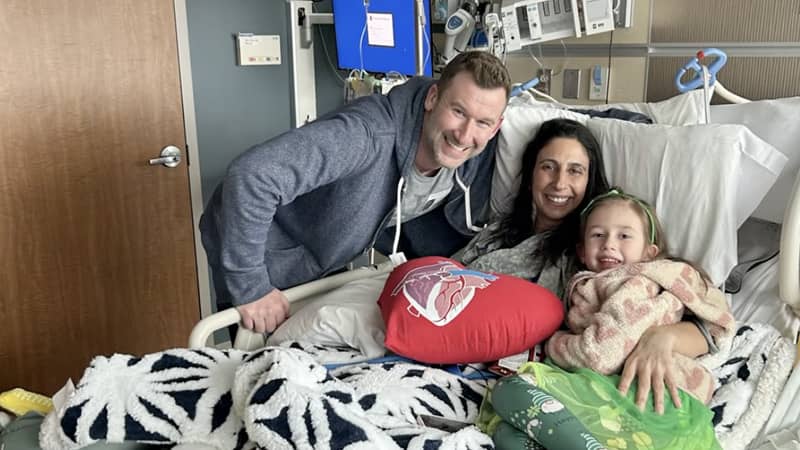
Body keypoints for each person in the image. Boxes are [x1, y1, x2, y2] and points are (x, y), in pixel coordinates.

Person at [199, 51, 511, 334]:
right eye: (458, 111)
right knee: (258, 370)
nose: (465, 134)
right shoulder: (365, 137)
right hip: (258, 252)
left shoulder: (477, 153)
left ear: (495, 127)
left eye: (482, 122)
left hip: (324, 254)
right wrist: (251, 286)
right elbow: (251, 177)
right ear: (432, 98)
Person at [459, 118, 718, 412]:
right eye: (548, 167)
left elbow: (700, 316)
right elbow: (450, 272)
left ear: (589, 179)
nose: (559, 183)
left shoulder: (598, 253)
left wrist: (663, 338)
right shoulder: (498, 233)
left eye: (575, 171)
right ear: (531, 173)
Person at [545, 188, 736, 404]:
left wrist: (554, 343)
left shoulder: (636, 282)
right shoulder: (584, 282)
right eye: (598, 235)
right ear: (581, 251)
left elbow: (601, 355)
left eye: (624, 236)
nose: (609, 244)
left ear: (649, 253)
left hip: (650, 391)